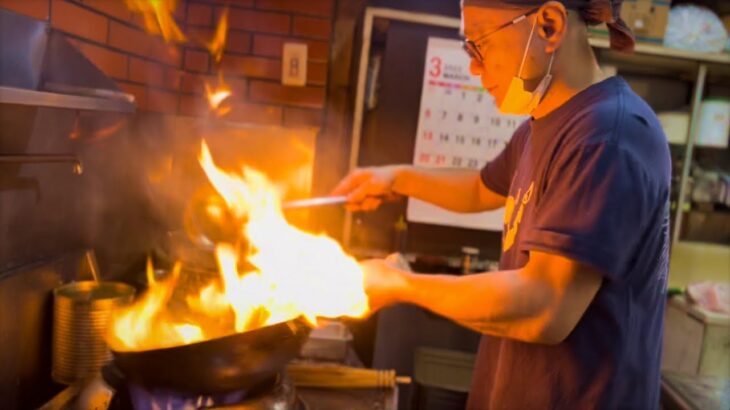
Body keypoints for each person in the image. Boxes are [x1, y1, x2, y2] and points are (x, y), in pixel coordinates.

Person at [332, 0, 671, 408]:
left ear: (548, 25)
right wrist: (395, 179)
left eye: (479, 44)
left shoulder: (608, 137)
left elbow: (544, 306)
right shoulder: (542, 126)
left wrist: (403, 285)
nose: (474, 67)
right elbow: (480, 189)